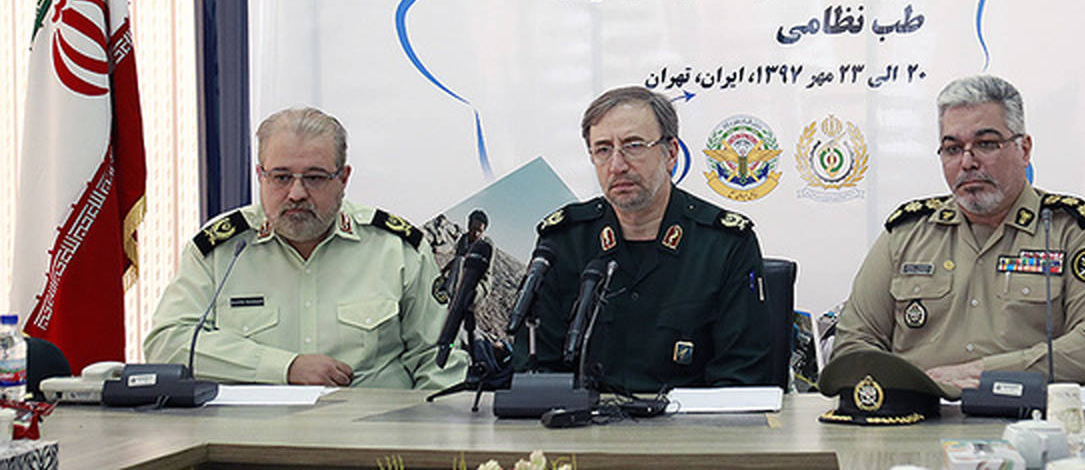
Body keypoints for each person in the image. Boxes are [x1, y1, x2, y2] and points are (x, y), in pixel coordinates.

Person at [832, 75, 1085, 392]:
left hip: (1026, 415)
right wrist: (911, 387)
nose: (967, 162)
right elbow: (853, 343)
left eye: (986, 144)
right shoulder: (906, 234)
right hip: (920, 412)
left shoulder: (1073, 232)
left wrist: (985, 372)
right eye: (952, 148)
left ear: (1024, 149)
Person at [144, 107, 467, 388]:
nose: (296, 193)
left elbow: (439, 360)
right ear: (260, 176)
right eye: (281, 177)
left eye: (314, 178)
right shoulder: (222, 250)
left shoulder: (395, 249)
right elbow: (167, 343)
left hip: (374, 434)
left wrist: (429, 433)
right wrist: (284, 368)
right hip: (251, 433)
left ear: (343, 179)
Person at [517, 86, 772, 393]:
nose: (617, 165)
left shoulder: (725, 243)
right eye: (603, 150)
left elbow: (742, 377)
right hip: (580, 420)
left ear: (671, 153)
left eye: (634, 146)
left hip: (691, 422)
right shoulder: (563, 241)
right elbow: (534, 369)